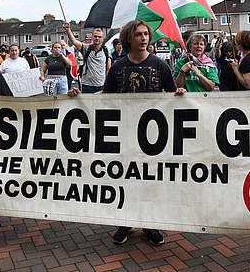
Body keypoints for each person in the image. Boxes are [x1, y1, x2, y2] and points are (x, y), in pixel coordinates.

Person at [69, 19, 185, 246]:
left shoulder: (160, 66)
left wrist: (180, 92)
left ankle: (150, 223)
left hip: (152, 136)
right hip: (124, 134)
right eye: (139, 34)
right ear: (129, 38)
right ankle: (125, 221)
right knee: (125, 178)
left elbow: (171, 94)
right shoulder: (119, 67)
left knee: (149, 180)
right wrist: (80, 98)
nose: (144, 38)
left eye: (146, 34)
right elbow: (106, 96)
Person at [63, 23, 110, 93]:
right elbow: (74, 42)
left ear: (103, 39)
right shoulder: (86, 48)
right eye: (95, 36)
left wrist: (108, 84)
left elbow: (108, 68)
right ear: (92, 37)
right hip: (87, 85)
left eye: (99, 37)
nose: (97, 38)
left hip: (101, 85)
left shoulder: (106, 51)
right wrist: (68, 30)